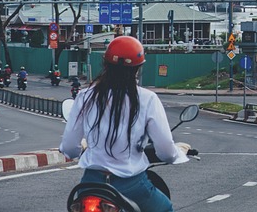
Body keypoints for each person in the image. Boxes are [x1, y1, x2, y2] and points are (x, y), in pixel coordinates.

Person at [60, 36, 190, 212]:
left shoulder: (85, 96)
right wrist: (178, 153)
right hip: (131, 185)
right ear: (138, 68)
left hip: (90, 184)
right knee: (165, 208)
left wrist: (82, 149)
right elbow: (166, 151)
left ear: (105, 64)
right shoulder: (147, 99)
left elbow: (68, 148)